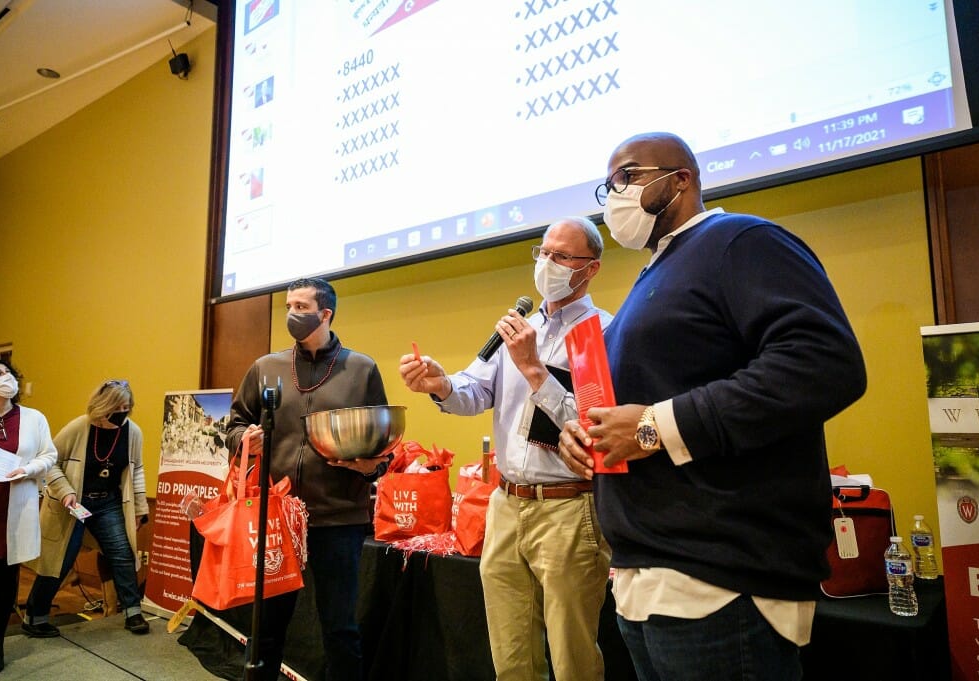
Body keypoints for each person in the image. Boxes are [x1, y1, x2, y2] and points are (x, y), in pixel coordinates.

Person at [557, 132, 868, 681]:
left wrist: (653, 428)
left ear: (681, 180)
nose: (616, 195)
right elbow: (633, 409)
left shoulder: (740, 241)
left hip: (720, 584)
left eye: (628, 176)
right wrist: (585, 438)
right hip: (644, 577)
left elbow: (825, 362)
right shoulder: (654, 276)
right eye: (609, 186)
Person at [399, 216, 613, 681]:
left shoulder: (603, 333)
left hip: (569, 509)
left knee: (573, 657)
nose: (547, 263)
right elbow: (473, 390)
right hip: (506, 504)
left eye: (561, 256)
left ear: (590, 269)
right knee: (511, 655)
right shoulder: (518, 329)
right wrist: (439, 383)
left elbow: (595, 430)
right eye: (543, 252)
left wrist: (534, 368)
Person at [226, 276, 390, 681]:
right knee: (267, 627)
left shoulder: (361, 369)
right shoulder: (266, 367)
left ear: (325, 313)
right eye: (287, 307)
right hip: (277, 516)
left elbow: (384, 446)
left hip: (339, 519)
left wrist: (371, 468)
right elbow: (231, 426)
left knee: (339, 629)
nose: (292, 315)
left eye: (300, 307)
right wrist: (243, 439)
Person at [24, 379, 151, 639]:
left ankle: (132, 611)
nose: (122, 414)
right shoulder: (78, 427)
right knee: (60, 560)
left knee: (122, 552)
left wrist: (139, 508)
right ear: (102, 406)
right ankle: (34, 617)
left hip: (108, 503)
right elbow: (49, 461)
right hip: (74, 504)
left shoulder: (132, 432)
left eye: (127, 408)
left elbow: (136, 470)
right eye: (116, 408)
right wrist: (65, 491)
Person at [0, 358, 56, 676]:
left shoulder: (34, 418)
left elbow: (49, 455)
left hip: (15, 508)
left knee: (4, 579)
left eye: (9, 372)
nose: (7, 378)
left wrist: (27, 469)